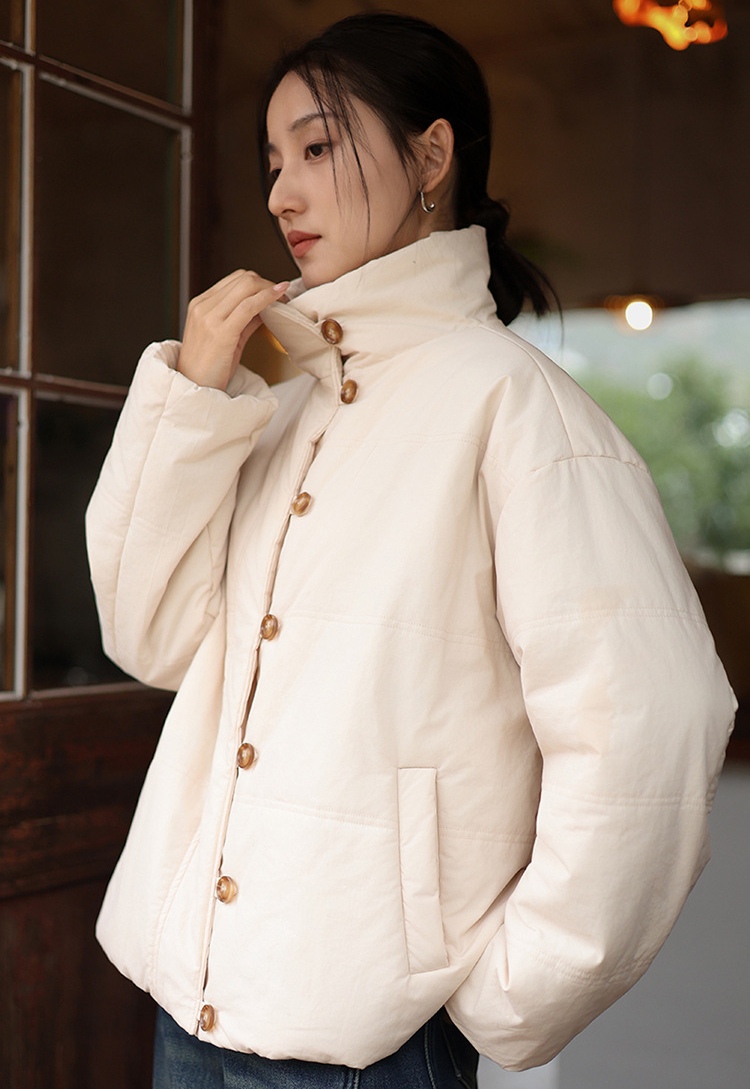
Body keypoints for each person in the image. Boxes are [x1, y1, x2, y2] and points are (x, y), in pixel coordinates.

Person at [86, 11, 736, 1088]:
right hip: (188, 1008)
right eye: (273, 161)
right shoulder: (278, 402)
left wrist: (508, 994)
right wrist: (193, 398)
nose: (280, 194)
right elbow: (147, 635)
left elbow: (648, 727)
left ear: (431, 157)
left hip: (368, 1047)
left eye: (317, 147)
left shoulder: (518, 410)